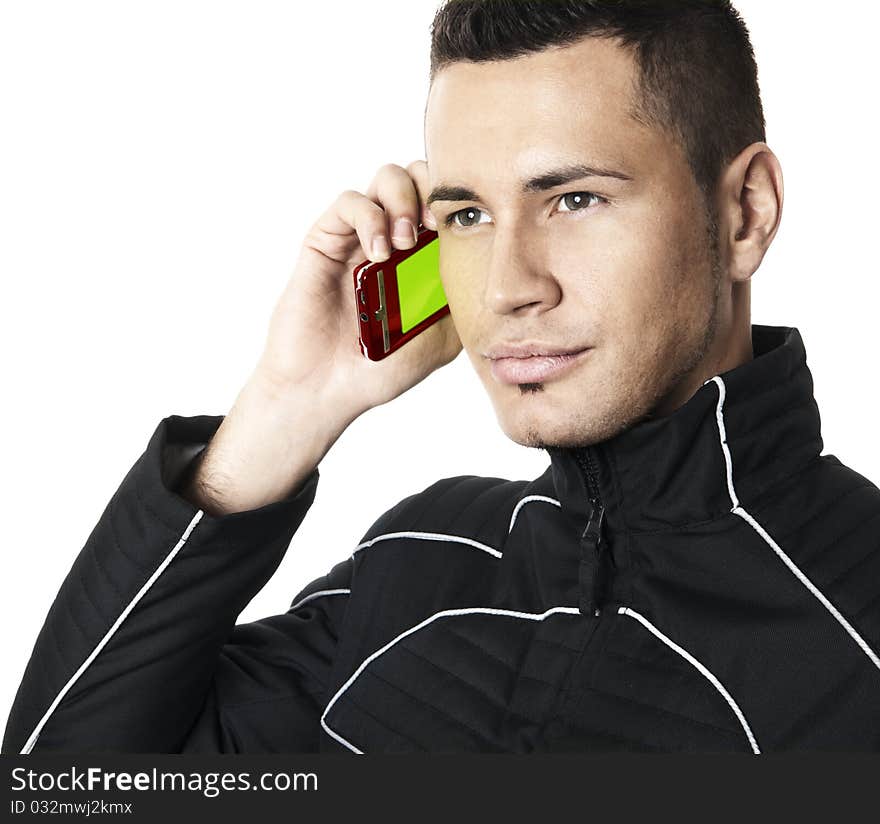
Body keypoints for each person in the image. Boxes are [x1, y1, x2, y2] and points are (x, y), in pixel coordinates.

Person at [4, 0, 879, 755]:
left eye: (574, 200)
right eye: (465, 213)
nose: (505, 288)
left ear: (745, 213)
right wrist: (288, 408)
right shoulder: (422, 555)